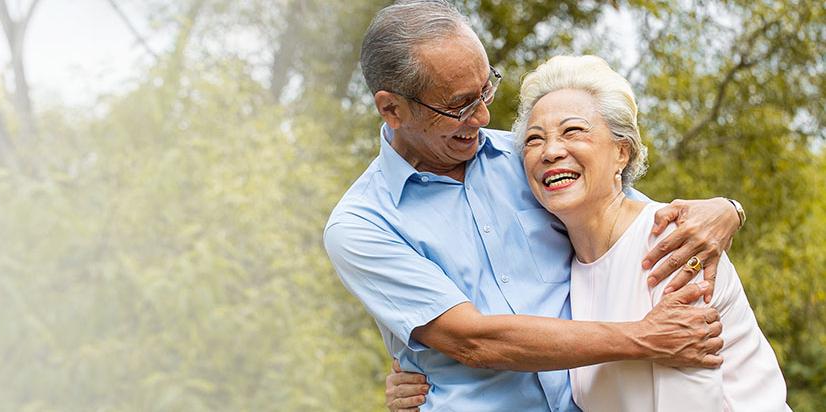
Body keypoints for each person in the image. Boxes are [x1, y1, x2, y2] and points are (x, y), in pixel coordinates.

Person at [323, 1, 747, 411]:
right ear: (392, 109)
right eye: (458, 106)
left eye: (486, 88)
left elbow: (627, 218)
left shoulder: (534, 157)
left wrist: (727, 209)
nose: (484, 116)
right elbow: (474, 341)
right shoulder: (363, 225)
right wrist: (646, 338)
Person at [517, 55, 787, 410]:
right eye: (534, 140)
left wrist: (732, 208)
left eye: (573, 131)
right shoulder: (564, 268)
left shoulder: (673, 242)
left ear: (621, 153)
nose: (551, 151)